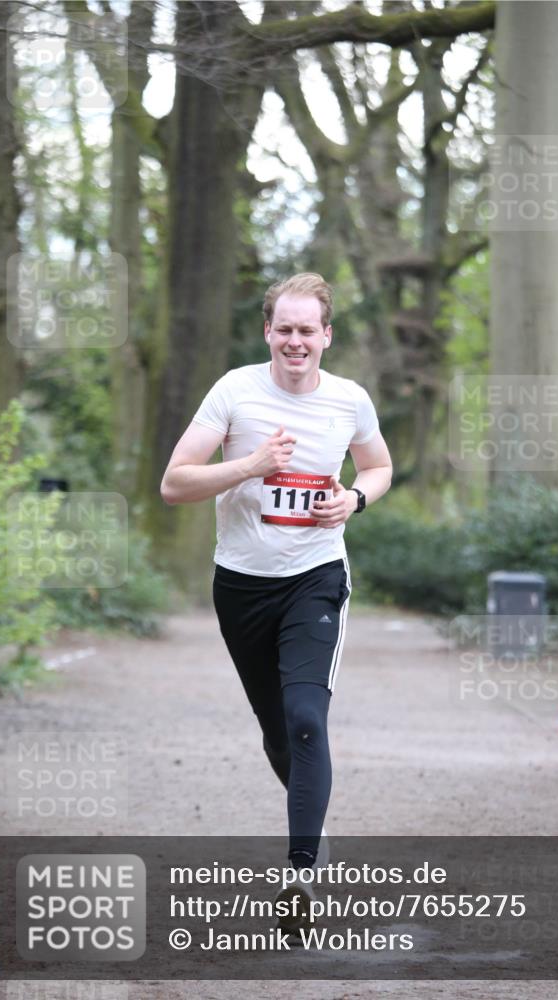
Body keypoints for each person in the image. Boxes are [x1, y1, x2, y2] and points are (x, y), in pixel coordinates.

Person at [160, 273, 392, 926]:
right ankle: (315, 835)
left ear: (326, 336)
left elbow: (377, 466)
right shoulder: (235, 391)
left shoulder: (348, 400)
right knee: (276, 735)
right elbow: (174, 484)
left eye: (306, 330)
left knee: (305, 718)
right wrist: (249, 466)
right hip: (240, 586)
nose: (295, 341)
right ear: (268, 332)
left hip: (315, 577)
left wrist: (355, 498)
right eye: (283, 329)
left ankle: (299, 878)